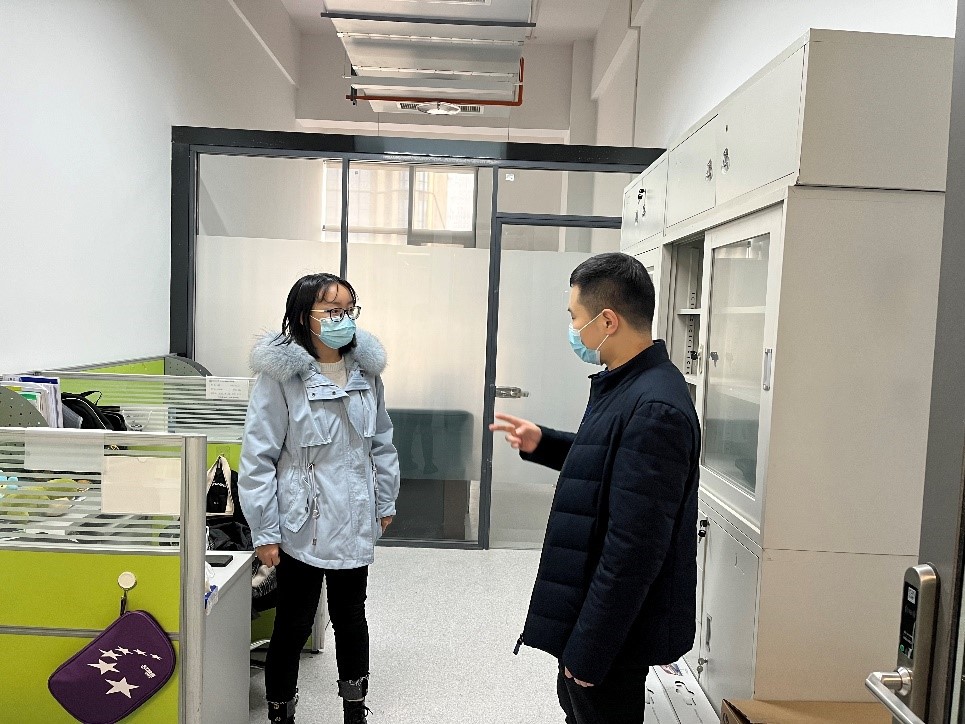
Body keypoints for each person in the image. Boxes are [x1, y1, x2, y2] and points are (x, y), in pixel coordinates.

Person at [490, 252, 700, 724]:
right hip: (594, 616)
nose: (572, 329)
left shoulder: (656, 408)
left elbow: (634, 549)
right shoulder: (629, 383)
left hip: (614, 635)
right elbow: (613, 464)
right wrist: (545, 443)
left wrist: (589, 649)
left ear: (607, 321)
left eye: (575, 317)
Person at [239, 273, 400, 724]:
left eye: (348, 310)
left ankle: (354, 709)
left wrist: (385, 499)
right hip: (301, 520)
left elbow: (381, 442)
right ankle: (281, 712)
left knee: (351, 618)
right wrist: (265, 531)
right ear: (303, 316)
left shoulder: (366, 372)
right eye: (331, 311)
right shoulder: (280, 378)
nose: (341, 319)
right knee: (293, 623)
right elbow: (258, 457)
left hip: (354, 516)